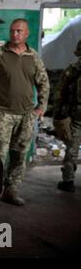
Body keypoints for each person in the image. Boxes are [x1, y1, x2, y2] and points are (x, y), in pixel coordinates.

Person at [0, 18, 50, 207]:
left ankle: (11, 191)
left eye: (19, 31)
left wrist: (41, 108)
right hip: (2, 114)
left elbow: (43, 83)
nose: (15, 34)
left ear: (27, 33)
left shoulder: (33, 57)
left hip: (27, 115)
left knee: (19, 155)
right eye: (12, 31)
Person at [53, 39, 81, 193]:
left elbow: (60, 92)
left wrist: (59, 113)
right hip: (76, 114)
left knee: (72, 148)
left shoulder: (73, 69)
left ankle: (68, 181)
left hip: (76, 115)